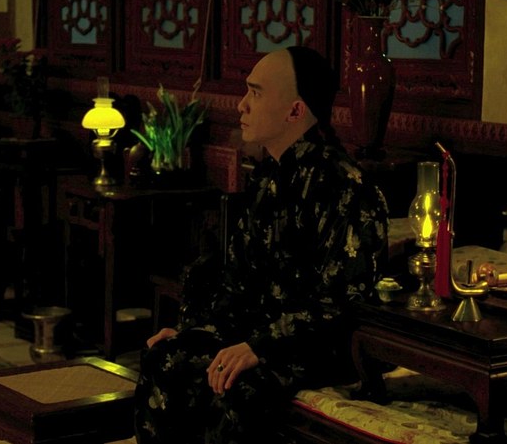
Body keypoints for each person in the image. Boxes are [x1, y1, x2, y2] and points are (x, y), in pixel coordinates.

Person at [133, 46, 390, 444]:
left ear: (295, 110)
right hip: (257, 334)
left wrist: (261, 346)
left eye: (255, 93)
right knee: (165, 356)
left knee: (234, 387)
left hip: (315, 347)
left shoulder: (347, 187)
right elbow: (238, 280)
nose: (242, 105)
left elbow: (341, 301)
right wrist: (194, 331)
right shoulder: (268, 176)